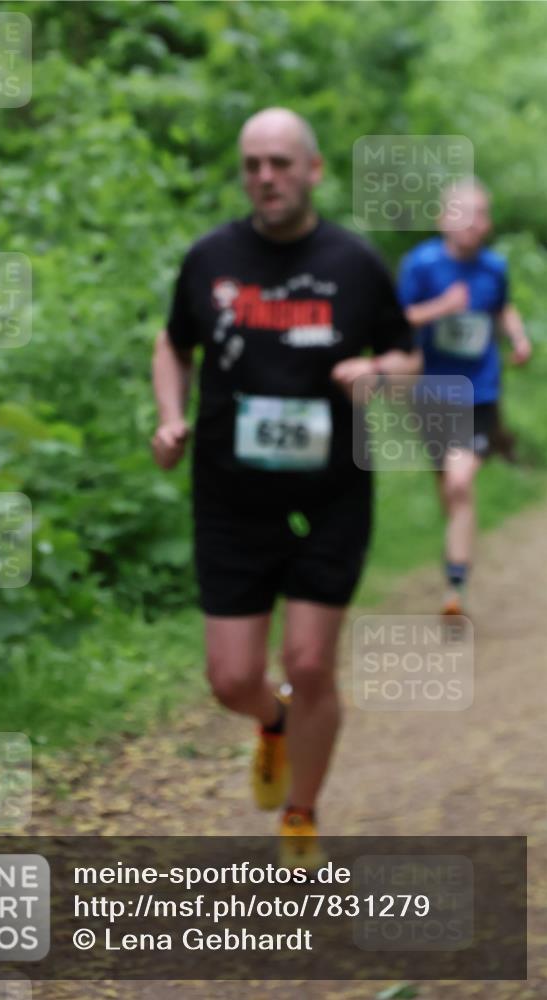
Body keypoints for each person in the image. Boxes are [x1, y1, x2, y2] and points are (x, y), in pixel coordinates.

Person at [151, 107, 420, 867]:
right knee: (231, 678)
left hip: (329, 493)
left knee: (309, 662)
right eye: (251, 165)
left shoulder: (355, 264)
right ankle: (272, 721)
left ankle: (300, 812)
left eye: (278, 163)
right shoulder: (209, 259)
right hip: (231, 497)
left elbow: (406, 358)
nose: (264, 177)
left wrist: (377, 371)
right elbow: (172, 346)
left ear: (312, 170)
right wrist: (170, 418)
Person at [398, 178, 531, 615]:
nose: (477, 224)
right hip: (433, 393)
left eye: (483, 214)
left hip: (480, 392)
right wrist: (441, 308)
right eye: (467, 214)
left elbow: (502, 307)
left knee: (460, 482)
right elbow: (398, 322)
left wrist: (517, 336)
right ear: (443, 219)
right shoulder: (420, 265)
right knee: (450, 489)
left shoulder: (494, 268)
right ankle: (456, 563)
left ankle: (455, 587)